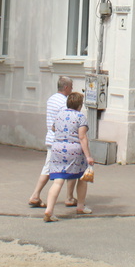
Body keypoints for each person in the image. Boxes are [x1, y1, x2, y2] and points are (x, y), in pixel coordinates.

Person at [43, 92, 94, 221]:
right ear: (79, 105)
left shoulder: (60, 114)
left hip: (57, 149)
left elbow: (54, 128)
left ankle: (49, 210)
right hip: (74, 150)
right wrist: (88, 156)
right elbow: (82, 137)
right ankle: (81, 207)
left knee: (58, 180)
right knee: (82, 178)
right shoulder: (80, 117)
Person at [28, 75, 76, 208]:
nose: (72, 89)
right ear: (66, 87)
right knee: (72, 167)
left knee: (48, 168)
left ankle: (36, 195)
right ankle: (69, 197)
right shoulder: (64, 103)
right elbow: (65, 121)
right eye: (71, 87)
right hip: (62, 140)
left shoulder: (51, 99)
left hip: (51, 138)